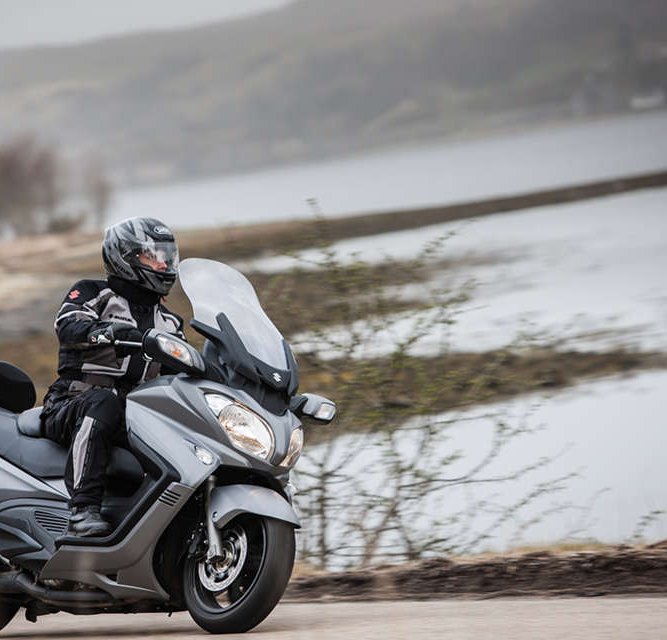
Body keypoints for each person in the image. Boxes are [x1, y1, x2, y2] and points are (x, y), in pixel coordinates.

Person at [41, 217, 185, 537]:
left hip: (134, 414)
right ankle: (82, 510)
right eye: (152, 256)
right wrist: (106, 333)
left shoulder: (171, 323)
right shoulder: (92, 292)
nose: (163, 264)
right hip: (72, 400)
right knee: (106, 401)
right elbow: (68, 327)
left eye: (167, 256)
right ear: (126, 257)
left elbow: (184, 373)